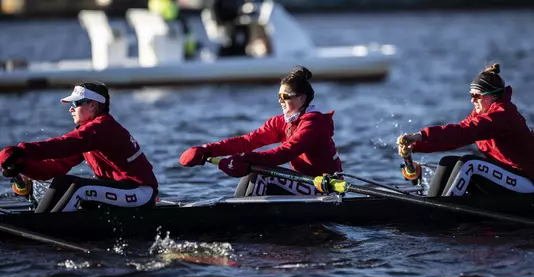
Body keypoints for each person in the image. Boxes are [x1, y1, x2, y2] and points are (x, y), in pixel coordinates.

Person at [179, 66, 343, 196]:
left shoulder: (314, 123)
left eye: (286, 96)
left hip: (325, 187)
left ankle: (243, 221)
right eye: (279, 96)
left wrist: (247, 159)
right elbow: (247, 141)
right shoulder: (280, 122)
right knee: (254, 169)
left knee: (258, 173)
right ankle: (237, 209)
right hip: (303, 182)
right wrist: (208, 149)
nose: (281, 101)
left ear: (302, 98)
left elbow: (285, 152)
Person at [0, 82, 159, 213]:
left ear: (92, 105)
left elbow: (63, 145)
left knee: (80, 187)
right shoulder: (88, 134)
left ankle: (47, 226)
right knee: (63, 181)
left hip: (139, 193)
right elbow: (54, 167)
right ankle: (39, 219)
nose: (70, 109)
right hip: (122, 190)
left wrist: (22, 151)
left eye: (75, 103)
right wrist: (22, 165)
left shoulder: (102, 129)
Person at [397, 63, 534, 198]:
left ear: (492, 96)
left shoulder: (503, 115)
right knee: (448, 162)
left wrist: (421, 135)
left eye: (477, 96)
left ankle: (442, 210)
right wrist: (415, 146)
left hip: (526, 181)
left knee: (469, 163)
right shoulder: (481, 114)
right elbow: (455, 138)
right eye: (471, 96)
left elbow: (464, 132)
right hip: (508, 175)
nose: (472, 101)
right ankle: (433, 201)